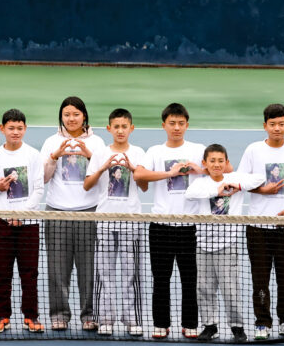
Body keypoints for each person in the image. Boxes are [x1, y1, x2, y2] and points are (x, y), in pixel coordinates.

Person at [132, 103, 207, 339]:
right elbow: (140, 174)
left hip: (190, 227)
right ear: (163, 124)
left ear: (187, 124)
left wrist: (200, 169)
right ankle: (161, 323)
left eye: (181, 123)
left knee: (190, 279)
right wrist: (170, 173)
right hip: (161, 226)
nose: (177, 128)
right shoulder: (155, 151)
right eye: (172, 123)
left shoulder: (198, 149)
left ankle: (190, 323)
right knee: (161, 279)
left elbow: (224, 168)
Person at [237, 104, 284, 339]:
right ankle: (262, 323)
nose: (277, 128)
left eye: (282, 123)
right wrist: (263, 190)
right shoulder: (253, 150)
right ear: (264, 126)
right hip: (258, 227)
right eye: (272, 124)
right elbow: (242, 182)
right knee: (260, 278)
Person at [40, 96, 108, 331]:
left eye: (76, 114)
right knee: (57, 269)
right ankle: (59, 314)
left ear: (84, 116)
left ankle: (89, 314)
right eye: (67, 114)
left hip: (89, 213)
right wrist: (53, 156)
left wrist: (90, 156)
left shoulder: (98, 143)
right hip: (57, 213)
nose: (71, 118)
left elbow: (104, 178)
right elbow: (44, 178)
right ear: (61, 116)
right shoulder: (51, 141)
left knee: (89, 269)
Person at [185, 144, 264, 343]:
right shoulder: (200, 183)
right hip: (203, 245)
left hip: (227, 245)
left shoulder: (235, 177)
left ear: (227, 162)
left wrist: (237, 186)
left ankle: (237, 327)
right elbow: (190, 194)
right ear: (205, 163)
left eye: (221, 161)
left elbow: (259, 178)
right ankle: (210, 326)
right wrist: (216, 189)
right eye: (212, 161)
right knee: (204, 288)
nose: (217, 165)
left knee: (230, 288)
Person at [83, 108, 148, 337]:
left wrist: (132, 169)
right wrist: (102, 167)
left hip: (131, 221)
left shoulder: (139, 152)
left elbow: (144, 186)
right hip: (105, 221)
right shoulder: (100, 153)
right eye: (116, 126)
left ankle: (133, 320)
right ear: (109, 129)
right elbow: (87, 185)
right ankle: (106, 319)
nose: (120, 131)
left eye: (125, 126)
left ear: (132, 128)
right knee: (104, 273)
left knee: (133, 273)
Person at [0, 109, 46, 333]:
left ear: (25, 129)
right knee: (1, 272)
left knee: (29, 272)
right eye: (11, 128)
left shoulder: (33, 154)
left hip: (28, 224)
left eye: (20, 128)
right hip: (0, 222)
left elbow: (39, 189)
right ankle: (2, 316)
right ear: (2, 129)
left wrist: (22, 215)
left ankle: (30, 316)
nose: (15, 132)